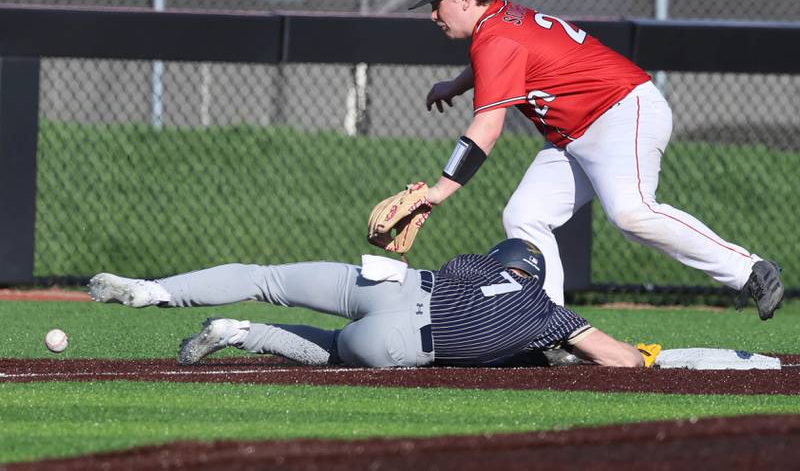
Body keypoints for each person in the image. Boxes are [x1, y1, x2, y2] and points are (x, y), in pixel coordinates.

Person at [407, 0, 784, 318]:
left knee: (631, 212)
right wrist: (457, 85)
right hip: (574, 134)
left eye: (436, 4)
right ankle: (550, 326)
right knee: (525, 215)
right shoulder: (501, 20)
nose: (433, 15)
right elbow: (500, 59)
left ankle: (750, 270)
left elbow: (487, 130)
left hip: (620, 112)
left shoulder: (496, 37)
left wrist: (439, 191)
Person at [87, 238, 657, 369]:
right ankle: (239, 334)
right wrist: (563, 344)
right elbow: (624, 361)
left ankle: (156, 291)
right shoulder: (549, 313)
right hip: (404, 344)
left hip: (397, 284)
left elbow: (466, 284)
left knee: (264, 276)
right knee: (335, 352)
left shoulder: (474, 266)